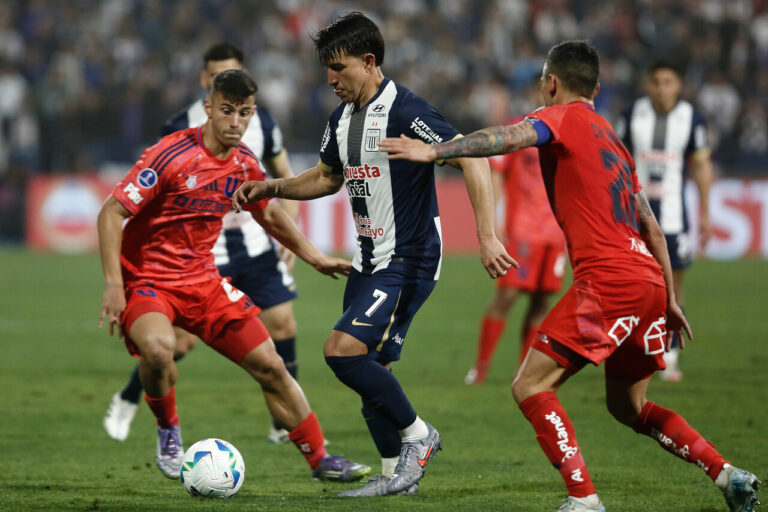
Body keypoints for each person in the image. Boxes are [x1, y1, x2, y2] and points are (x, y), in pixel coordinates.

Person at [379, 40, 759, 512]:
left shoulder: (555, 118)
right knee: (629, 407)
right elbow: (652, 227)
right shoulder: (613, 140)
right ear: (596, 89)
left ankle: (584, 499)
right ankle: (726, 473)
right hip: (648, 280)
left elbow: (504, 138)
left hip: (610, 280)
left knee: (530, 386)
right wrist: (669, 299)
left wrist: (436, 151)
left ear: (550, 83)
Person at [232, 12, 514, 497]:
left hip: (408, 259)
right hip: (369, 260)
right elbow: (326, 177)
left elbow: (469, 155)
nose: (330, 79)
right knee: (371, 369)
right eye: (326, 69)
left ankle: (419, 436)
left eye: (338, 68)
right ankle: (392, 478)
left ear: (368, 62)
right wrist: (273, 186)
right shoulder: (341, 119)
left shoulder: (406, 110)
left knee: (341, 352)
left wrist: (485, 234)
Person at [98, 69, 370, 483]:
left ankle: (321, 459)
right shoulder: (169, 155)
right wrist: (115, 286)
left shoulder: (244, 163)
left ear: (252, 114)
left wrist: (314, 257)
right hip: (149, 280)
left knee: (272, 366)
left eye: (244, 113)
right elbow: (110, 213)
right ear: (209, 108)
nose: (235, 122)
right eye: (226, 111)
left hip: (203, 282)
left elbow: (270, 215)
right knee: (158, 350)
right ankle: (168, 427)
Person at [103, 42, 303, 446]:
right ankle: (130, 398)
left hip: (251, 241)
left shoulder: (262, 123)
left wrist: (294, 235)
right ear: (206, 85)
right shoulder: (179, 127)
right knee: (176, 343)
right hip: (200, 251)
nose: (234, 112)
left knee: (282, 322)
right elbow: (151, 193)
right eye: (216, 78)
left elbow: (282, 177)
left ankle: (283, 427)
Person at [615, 60, 713, 382]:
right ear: (647, 84)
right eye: (656, 81)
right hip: (634, 216)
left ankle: (669, 354)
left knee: (674, 287)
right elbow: (614, 158)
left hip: (674, 218)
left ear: (678, 84)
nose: (661, 88)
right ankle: (633, 349)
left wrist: (705, 211)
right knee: (633, 285)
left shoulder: (691, 118)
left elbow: (700, 165)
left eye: (668, 81)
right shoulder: (631, 115)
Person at [465, 83, 566, 385]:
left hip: (556, 232)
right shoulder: (519, 130)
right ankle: (480, 368)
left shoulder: (568, 132)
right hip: (522, 229)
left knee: (541, 301)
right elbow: (495, 172)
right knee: (506, 295)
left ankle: (523, 371)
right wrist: (494, 222)